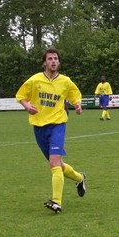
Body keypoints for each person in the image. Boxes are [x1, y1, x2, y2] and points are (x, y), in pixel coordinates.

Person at [16, 48, 87, 214]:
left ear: (59, 62)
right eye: (50, 59)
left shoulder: (65, 81)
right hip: (39, 127)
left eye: (56, 58)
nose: (53, 61)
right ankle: (79, 177)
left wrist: (77, 105)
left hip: (57, 125)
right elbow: (21, 96)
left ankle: (56, 202)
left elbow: (75, 95)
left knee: (53, 163)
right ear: (44, 63)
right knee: (58, 165)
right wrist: (27, 106)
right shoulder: (35, 80)